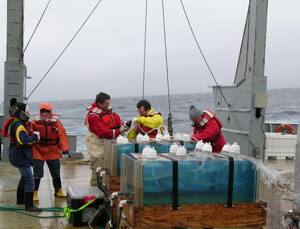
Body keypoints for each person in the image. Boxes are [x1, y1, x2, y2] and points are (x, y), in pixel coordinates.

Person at [1, 99, 41, 211]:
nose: (28, 114)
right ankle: (29, 205)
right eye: (27, 112)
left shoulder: (18, 123)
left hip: (19, 155)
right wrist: (35, 137)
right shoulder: (19, 125)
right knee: (29, 179)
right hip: (20, 156)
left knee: (24, 177)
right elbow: (22, 141)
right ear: (22, 113)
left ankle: (20, 199)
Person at [85, 92, 127, 186]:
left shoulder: (109, 112)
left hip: (108, 143)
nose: (108, 105)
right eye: (106, 104)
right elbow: (102, 133)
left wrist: (123, 125)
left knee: (109, 168)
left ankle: (106, 190)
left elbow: (117, 121)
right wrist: (118, 131)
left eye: (109, 103)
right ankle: (95, 192)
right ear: (99, 104)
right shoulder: (93, 116)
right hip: (97, 143)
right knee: (98, 168)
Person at [31, 103, 70, 202]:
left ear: (50, 112)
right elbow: (30, 134)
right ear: (40, 112)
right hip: (38, 149)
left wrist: (65, 150)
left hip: (52, 149)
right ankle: (34, 193)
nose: (44, 114)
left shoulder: (56, 123)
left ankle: (59, 191)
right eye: (43, 112)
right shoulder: (35, 122)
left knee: (55, 171)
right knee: (37, 172)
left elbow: (62, 136)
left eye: (47, 112)